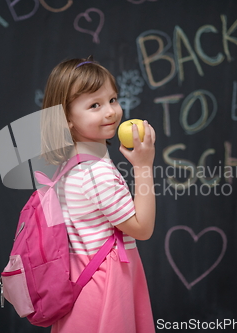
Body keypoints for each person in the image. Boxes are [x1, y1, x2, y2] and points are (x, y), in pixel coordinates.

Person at [40, 57, 156, 333]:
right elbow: (142, 228)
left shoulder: (73, 164)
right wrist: (143, 166)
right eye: (95, 105)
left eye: (112, 99)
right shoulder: (96, 173)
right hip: (104, 291)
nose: (111, 112)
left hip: (83, 286)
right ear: (66, 119)